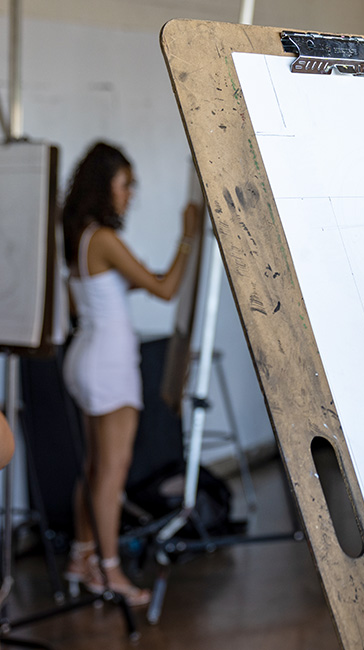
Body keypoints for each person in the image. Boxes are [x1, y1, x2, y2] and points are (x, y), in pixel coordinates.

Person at [61, 142, 201, 606]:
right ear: (105, 186)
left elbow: (109, 295)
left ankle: (82, 558)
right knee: (110, 477)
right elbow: (164, 288)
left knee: (94, 467)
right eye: (126, 184)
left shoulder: (80, 234)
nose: (131, 194)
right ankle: (110, 572)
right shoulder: (103, 238)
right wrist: (188, 238)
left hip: (86, 357)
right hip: (109, 365)